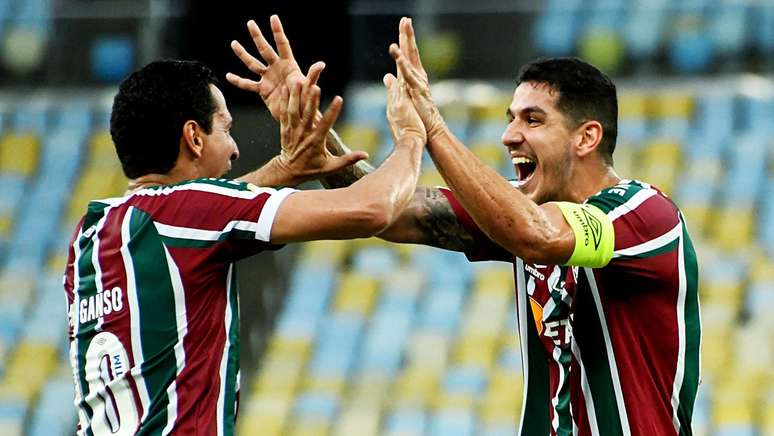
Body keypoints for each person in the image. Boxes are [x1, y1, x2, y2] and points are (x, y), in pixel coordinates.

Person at [229, 15, 701, 436]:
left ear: (587, 137)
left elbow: (540, 236)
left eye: (533, 120)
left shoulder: (643, 215)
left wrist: (431, 128)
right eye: (510, 118)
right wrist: (316, 138)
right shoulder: (515, 210)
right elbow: (396, 212)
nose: (509, 134)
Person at [63, 57, 426, 434]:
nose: (235, 149)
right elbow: (375, 208)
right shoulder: (188, 213)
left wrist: (285, 169)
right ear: (194, 137)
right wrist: (411, 138)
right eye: (226, 129)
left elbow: (204, 214)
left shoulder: (91, 233)